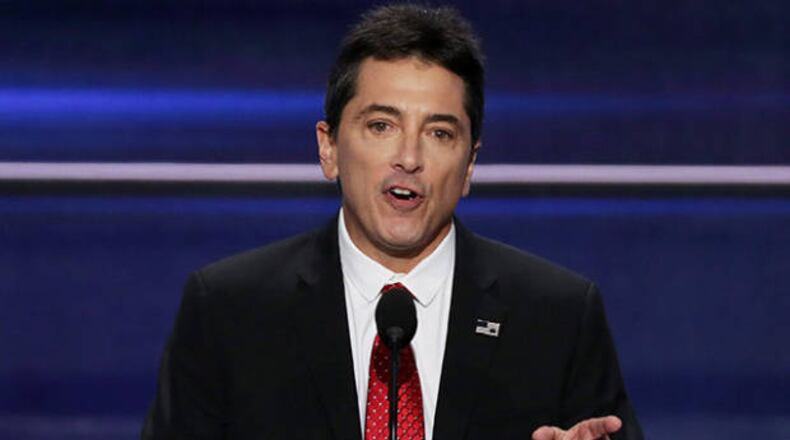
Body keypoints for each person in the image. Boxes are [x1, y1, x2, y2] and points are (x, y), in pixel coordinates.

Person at [142, 4, 643, 440]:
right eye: (381, 126)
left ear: (469, 165)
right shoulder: (229, 312)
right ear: (329, 147)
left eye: (440, 133)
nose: (408, 157)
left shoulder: (558, 318)